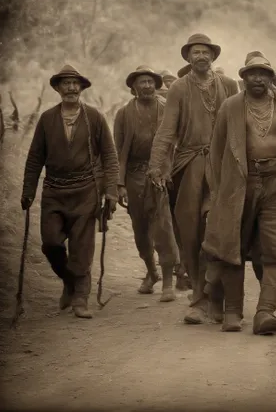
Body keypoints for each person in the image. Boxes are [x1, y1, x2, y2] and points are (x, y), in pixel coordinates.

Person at [201, 52, 276, 334]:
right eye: (252, 73)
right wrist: (218, 194)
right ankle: (232, 311)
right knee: (233, 246)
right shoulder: (230, 107)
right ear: (243, 78)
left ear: (270, 77)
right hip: (240, 185)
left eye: (263, 73)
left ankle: (265, 312)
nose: (257, 78)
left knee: (272, 249)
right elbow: (215, 154)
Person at [147, 33, 238, 324]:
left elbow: (239, 128)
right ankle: (198, 297)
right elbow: (166, 130)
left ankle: (217, 297)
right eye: (195, 52)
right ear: (187, 57)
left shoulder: (229, 86)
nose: (201, 56)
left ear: (213, 56)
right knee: (190, 232)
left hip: (224, 168)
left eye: (206, 51)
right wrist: (155, 165)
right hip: (189, 167)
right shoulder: (178, 89)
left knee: (220, 231)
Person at [21, 64, 119, 319]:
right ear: (57, 88)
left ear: (82, 88)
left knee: (82, 248)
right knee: (51, 243)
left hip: (86, 191)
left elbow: (109, 155)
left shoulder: (94, 117)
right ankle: (69, 280)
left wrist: (110, 191)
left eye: (75, 84)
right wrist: (28, 190)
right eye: (66, 83)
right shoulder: (47, 119)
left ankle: (80, 299)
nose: (71, 88)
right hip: (54, 190)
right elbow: (34, 158)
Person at [114, 66, 179, 301]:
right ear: (133, 87)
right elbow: (118, 151)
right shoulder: (124, 113)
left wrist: (167, 171)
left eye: (150, 82)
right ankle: (152, 273)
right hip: (133, 176)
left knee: (163, 226)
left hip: (161, 174)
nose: (147, 86)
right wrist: (119, 184)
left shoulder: (167, 109)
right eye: (142, 82)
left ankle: (169, 282)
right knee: (140, 228)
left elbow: (175, 144)